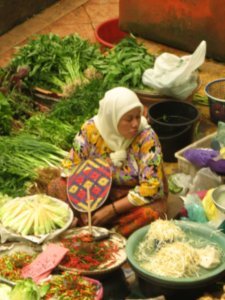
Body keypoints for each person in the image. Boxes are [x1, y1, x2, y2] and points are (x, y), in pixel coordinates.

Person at [47, 87, 168, 237]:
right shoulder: (91, 130)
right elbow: (71, 167)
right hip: (94, 191)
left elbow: (151, 187)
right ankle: (85, 223)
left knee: (154, 211)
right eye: (128, 119)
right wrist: (83, 206)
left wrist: (111, 210)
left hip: (128, 197)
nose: (135, 124)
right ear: (112, 118)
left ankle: (111, 233)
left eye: (138, 116)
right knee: (56, 186)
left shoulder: (146, 137)